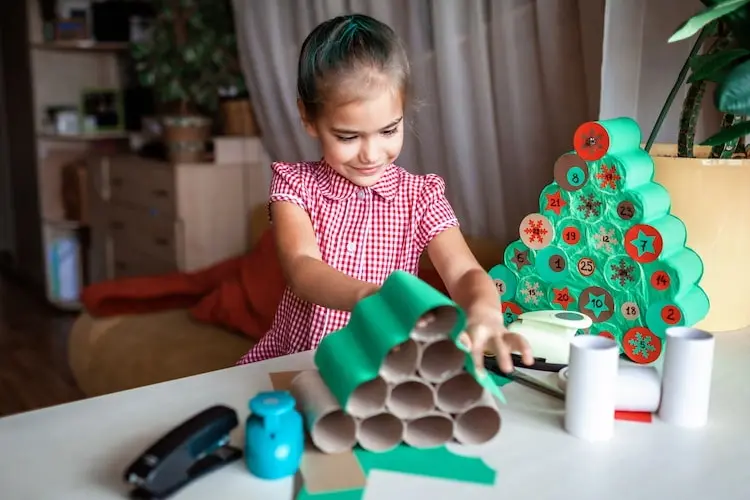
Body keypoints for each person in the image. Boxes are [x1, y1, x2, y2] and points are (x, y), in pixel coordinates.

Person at [237, 13, 533, 374]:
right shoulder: (295, 185)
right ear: (308, 118)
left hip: (380, 369)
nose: (371, 154)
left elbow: (463, 271)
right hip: (298, 366)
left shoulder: (421, 196)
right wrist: (373, 298)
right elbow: (302, 268)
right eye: (348, 137)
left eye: (389, 131)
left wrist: (485, 312)